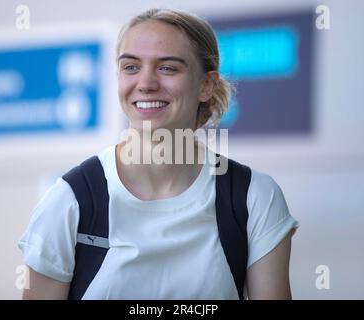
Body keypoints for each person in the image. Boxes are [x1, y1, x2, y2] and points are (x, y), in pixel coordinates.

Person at [18, 8, 299, 300]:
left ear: (206, 85)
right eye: (130, 67)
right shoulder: (69, 200)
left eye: (167, 68)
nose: (146, 83)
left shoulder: (254, 197)